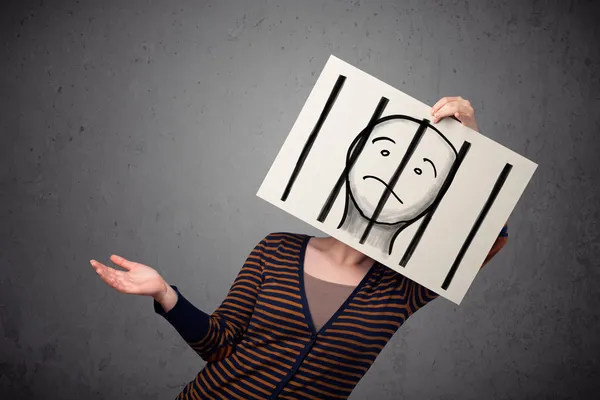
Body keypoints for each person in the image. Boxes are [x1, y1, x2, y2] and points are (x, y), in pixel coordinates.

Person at [91, 96, 509, 400]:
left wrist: (473, 148)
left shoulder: (404, 288)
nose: (395, 173)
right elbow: (218, 343)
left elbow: (491, 238)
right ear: (353, 155)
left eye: (421, 169)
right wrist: (165, 294)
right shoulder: (276, 251)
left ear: (435, 198)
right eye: (385, 151)